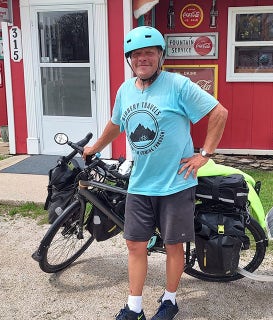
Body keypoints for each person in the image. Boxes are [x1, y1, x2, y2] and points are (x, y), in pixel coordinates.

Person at [82, 26, 228, 320]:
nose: (143, 58)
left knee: (174, 245)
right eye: (136, 54)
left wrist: (204, 155)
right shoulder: (125, 90)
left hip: (176, 183)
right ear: (130, 60)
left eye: (149, 53)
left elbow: (219, 112)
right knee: (135, 244)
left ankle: (170, 301)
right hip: (141, 184)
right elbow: (116, 124)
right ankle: (134, 308)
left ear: (160, 56)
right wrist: (95, 146)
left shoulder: (177, 85)